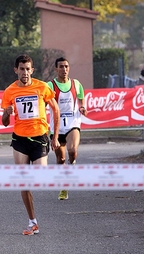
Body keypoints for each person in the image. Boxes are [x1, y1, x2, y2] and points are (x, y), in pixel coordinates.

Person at [1, 54, 60, 235]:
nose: (25, 72)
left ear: (32, 70)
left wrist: (55, 137)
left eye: (28, 69)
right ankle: (32, 221)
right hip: (19, 139)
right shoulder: (10, 91)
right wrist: (7, 113)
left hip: (40, 137)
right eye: (21, 69)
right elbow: (3, 122)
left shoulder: (42, 87)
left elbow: (56, 110)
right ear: (16, 70)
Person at [47, 57, 87, 201]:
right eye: (61, 67)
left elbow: (82, 99)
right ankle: (64, 187)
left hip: (73, 123)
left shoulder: (76, 84)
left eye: (66, 66)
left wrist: (82, 107)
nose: (64, 69)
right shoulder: (50, 86)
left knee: (72, 150)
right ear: (56, 69)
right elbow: (43, 102)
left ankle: (73, 164)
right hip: (56, 127)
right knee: (60, 158)